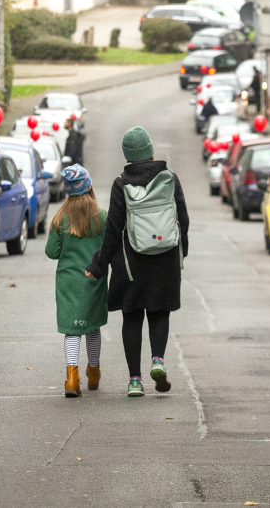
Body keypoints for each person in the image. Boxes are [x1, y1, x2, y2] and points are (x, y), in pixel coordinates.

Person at [86, 126, 189, 397]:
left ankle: (134, 380)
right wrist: (182, 252)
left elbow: (112, 230)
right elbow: (183, 220)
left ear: (128, 156)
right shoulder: (169, 179)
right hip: (165, 257)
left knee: (132, 318)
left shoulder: (122, 184)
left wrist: (98, 266)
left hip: (130, 264)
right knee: (159, 312)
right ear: (150, 150)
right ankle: (158, 360)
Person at [45, 164, 109, 398]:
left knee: (72, 331)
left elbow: (51, 252)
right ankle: (93, 371)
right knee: (92, 328)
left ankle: (71, 377)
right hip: (94, 282)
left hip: (68, 285)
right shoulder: (101, 217)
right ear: (89, 187)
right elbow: (109, 248)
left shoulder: (60, 219)